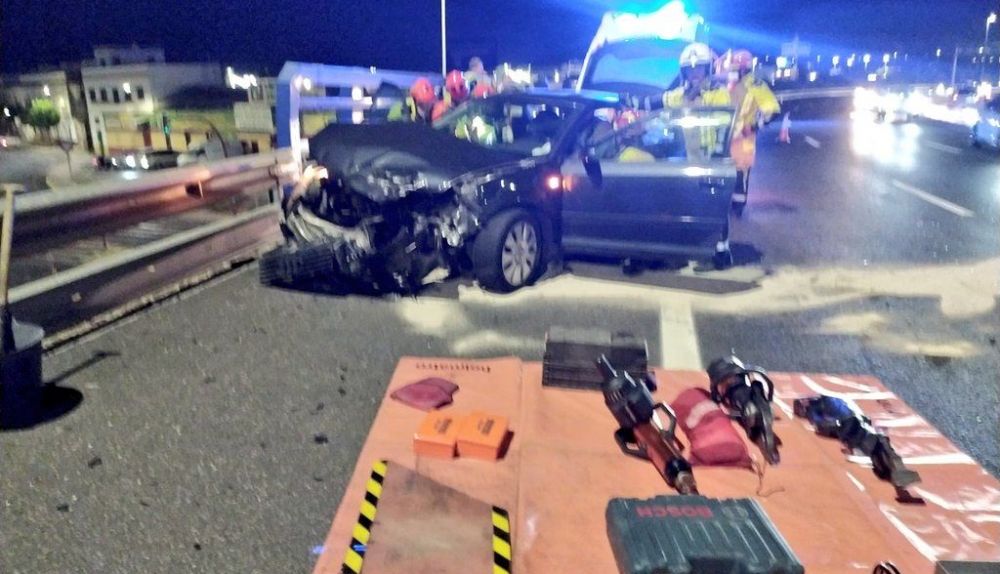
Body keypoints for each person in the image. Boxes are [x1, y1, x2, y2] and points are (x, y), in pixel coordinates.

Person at [720, 49, 781, 214]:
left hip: (742, 139)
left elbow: (773, 111)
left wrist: (753, 127)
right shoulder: (726, 84)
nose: (731, 71)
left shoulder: (755, 85)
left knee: (739, 174)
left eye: (735, 68)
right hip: (722, 137)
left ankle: (738, 209)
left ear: (744, 69)